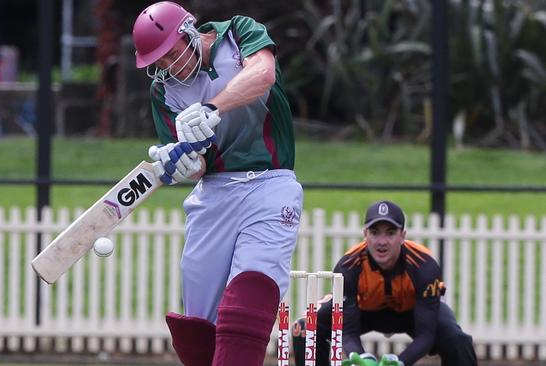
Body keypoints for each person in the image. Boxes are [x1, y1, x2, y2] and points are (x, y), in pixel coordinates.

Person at [132, 2, 303, 365]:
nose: (168, 66)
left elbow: (262, 74)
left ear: (190, 32)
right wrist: (182, 163)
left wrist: (212, 107)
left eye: (171, 54)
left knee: (250, 294)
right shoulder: (164, 93)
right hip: (213, 194)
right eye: (158, 63)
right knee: (196, 326)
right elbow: (199, 165)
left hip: (270, 184)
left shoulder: (237, 33)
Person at [291, 200, 478, 366]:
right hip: (363, 310)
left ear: (402, 235)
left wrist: (400, 361)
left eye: (390, 233)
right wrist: (362, 357)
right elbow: (347, 330)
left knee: (458, 341)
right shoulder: (348, 266)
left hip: (413, 312)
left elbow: (426, 334)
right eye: (374, 232)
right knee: (304, 327)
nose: (382, 242)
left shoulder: (424, 266)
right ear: (365, 234)